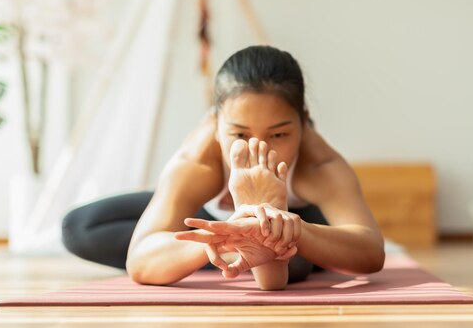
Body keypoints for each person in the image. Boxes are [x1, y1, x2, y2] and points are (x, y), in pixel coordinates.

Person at [62, 45, 385, 290]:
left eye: (279, 134)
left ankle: (261, 250)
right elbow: (141, 261)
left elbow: (370, 252)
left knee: (293, 259)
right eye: (239, 133)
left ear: (304, 122)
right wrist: (227, 236)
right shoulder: (199, 160)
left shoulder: (319, 165)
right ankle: (241, 254)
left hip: (296, 226)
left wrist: (289, 228)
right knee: (80, 227)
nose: (257, 148)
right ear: (215, 122)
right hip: (214, 221)